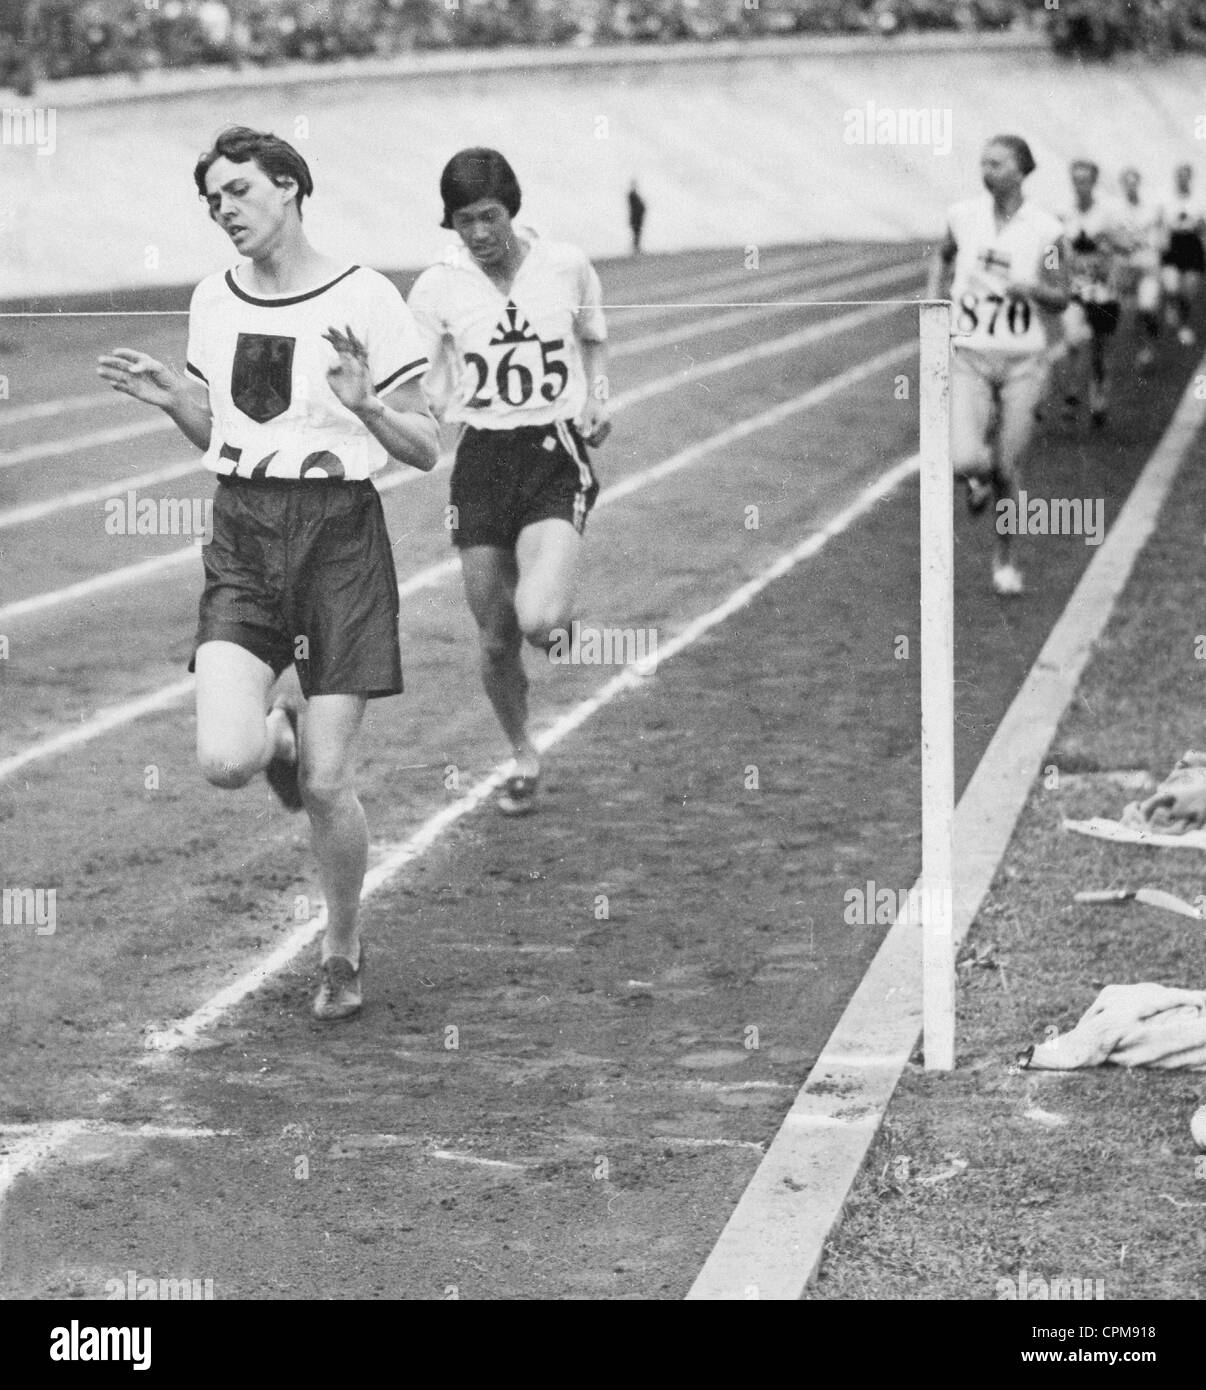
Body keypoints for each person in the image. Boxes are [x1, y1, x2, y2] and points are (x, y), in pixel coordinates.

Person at [96, 127, 438, 1021]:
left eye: (239, 191)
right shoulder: (213, 299)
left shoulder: (366, 295)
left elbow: (426, 445)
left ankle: (341, 947)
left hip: (339, 541)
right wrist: (176, 399)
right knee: (222, 760)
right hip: (243, 534)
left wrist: (368, 404)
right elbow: (221, 433)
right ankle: (275, 737)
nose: (225, 211)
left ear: (289, 187)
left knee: (328, 785)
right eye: (213, 201)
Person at [407, 148, 609, 816]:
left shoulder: (565, 264)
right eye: (464, 220)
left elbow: (592, 336)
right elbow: (420, 380)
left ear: (511, 209)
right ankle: (523, 751)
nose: (479, 233)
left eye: (489, 216)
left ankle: (557, 619)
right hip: (482, 463)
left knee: (541, 621)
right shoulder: (437, 288)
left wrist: (597, 397)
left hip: (553, 451)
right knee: (495, 639)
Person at [926, 134, 1069, 596]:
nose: (987, 170)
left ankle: (1004, 560)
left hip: (1024, 359)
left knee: (1009, 469)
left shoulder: (1047, 229)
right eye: (983, 162)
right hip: (969, 354)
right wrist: (935, 300)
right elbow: (943, 254)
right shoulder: (962, 217)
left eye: (998, 163)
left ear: (1022, 169)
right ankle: (978, 477)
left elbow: (1063, 294)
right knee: (965, 458)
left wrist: (1031, 288)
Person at [1058, 159, 1124, 427]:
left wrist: (1108, 253)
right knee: (1073, 340)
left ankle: (1099, 399)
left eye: (1084, 180)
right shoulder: (1065, 213)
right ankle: (1072, 393)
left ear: (1094, 182)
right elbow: (1053, 250)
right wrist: (1055, 268)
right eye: (1075, 179)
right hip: (1075, 289)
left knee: (1100, 349)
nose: (1079, 185)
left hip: (1102, 291)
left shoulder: (1107, 213)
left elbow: (1123, 246)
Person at [1114, 166, 1164, 370]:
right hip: (1127, 268)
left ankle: (1149, 345)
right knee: (1134, 313)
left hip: (1148, 267)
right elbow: (1112, 238)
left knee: (1147, 308)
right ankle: (1144, 349)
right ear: (1123, 186)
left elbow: (1159, 238)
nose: (1131, 187)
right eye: (1127, 183)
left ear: (1138, 184)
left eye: (1134, 183)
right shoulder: (1116, 211)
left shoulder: (1150, 209)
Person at [1160, 162, 1206, 347]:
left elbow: (1202, 227)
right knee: (1171, 286)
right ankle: (1172, 305)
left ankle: (1184, 325)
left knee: (1188, 292)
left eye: (1186, 175)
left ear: (1190, 178)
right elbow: (1163, 224)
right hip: (1174, 246)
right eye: (1179, 175)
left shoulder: (1199, 199)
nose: (1182, 179)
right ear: (1176, 178)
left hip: (1192, 246)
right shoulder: (1167, 200)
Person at [627, 180, 646, 256]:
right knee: (636, 234)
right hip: (635, 218)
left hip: (637, 218)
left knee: (637, 234)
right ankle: (635, 249)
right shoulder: (632, 195)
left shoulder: (634, 195)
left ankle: (636, 248)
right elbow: (636, 207)